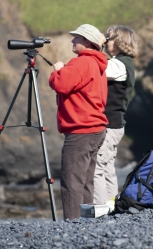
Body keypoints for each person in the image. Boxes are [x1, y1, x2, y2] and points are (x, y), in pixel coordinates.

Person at [48, 24, 108, 220]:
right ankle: (85, 221)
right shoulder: (98, 64)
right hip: (96, 128)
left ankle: (73, 224)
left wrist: (57, 70)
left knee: (72, 181)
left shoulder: (82, 63)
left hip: (81, 130)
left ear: (88, 42)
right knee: (85, 180)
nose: (73, 41)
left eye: (77, 38)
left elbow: (60, 84)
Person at [93, 25, 138, 205]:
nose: (105, 41)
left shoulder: (119, 65)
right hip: (115, 124)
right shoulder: (122, 63)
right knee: (108, 168)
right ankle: (111, 205)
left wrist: (96, 47)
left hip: (111, 124)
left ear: (119, 42)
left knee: (97, 167)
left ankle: (100, 208)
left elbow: (98, 70)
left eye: (109, 38)